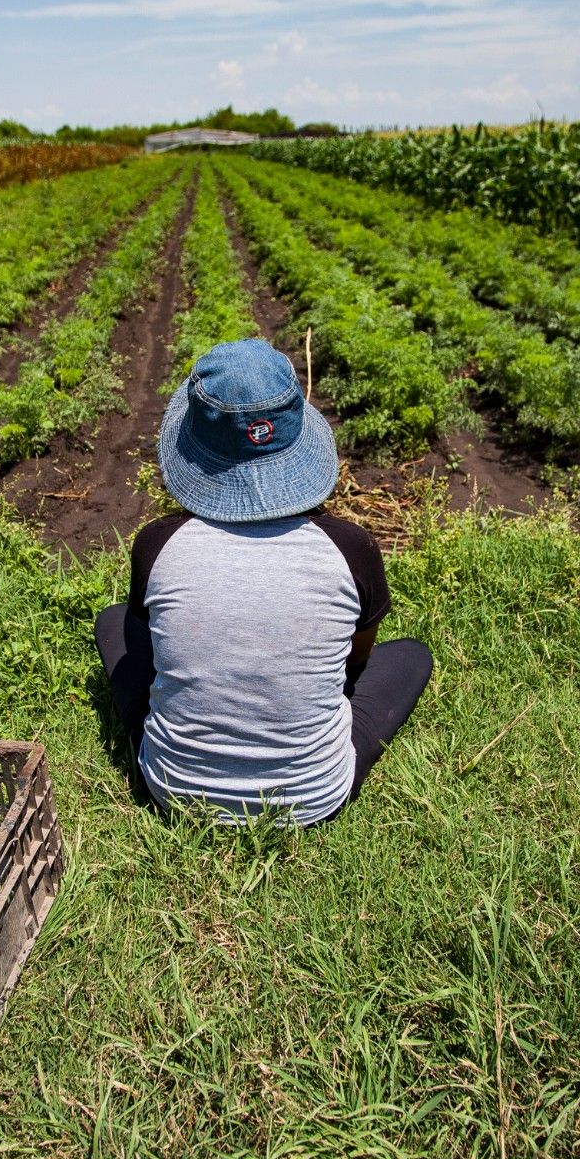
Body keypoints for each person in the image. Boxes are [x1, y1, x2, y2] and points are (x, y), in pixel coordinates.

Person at [93, 337, 433, 826]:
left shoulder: (157, 544)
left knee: (115, 624)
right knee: (411, 656)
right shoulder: (351, 548)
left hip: (174, 791)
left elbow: (151, 640)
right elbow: (355, 662)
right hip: (310, 798)